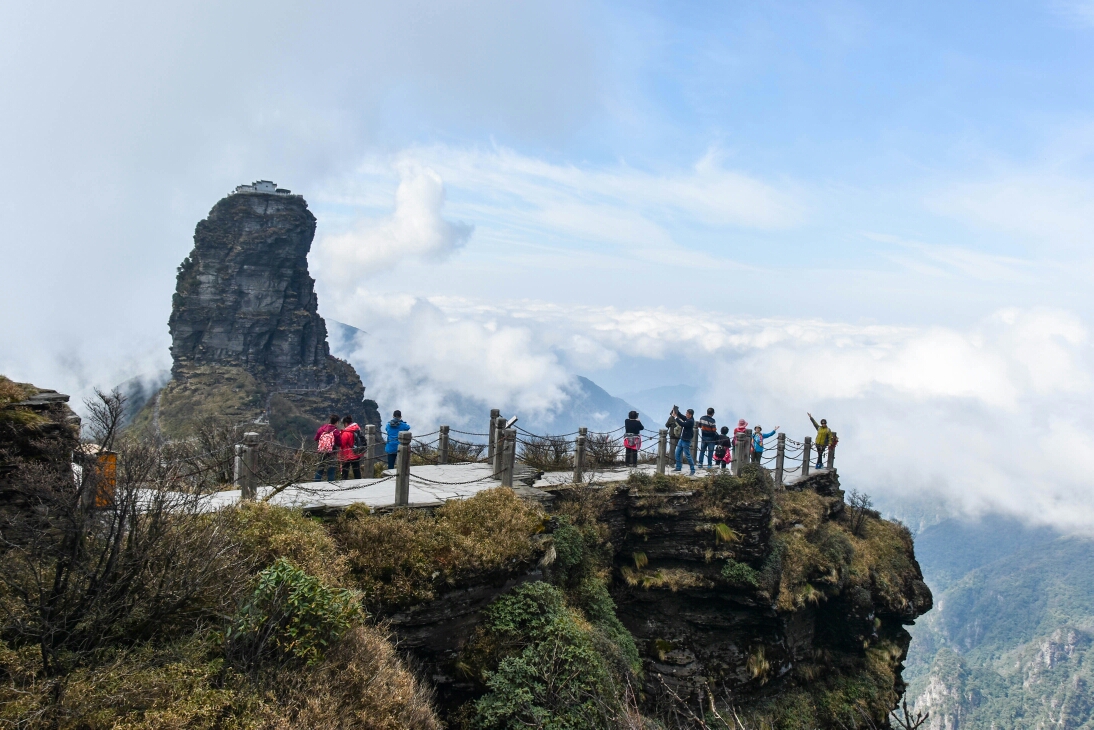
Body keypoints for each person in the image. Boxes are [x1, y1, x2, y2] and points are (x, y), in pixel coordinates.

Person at [314, 414, 341, 482]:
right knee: (331, 470)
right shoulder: (336, 431)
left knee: (320, 469)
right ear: (336, 422)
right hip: (332, 453)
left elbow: (315, 438)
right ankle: (331, 486)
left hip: (321, 452)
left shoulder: (321, 429)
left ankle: (316, 484)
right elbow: (339, 443)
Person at [671, 406, 696, 476]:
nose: (686, 414)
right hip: (682, 439)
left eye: (687, 413)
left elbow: (682, 424)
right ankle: (678, 467)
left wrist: (675, 417)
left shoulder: (690, 421)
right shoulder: (688, 419)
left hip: (686, 440)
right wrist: (676, 411)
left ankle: (692, 469)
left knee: (688, 455)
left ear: (690, 415)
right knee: (677, 453)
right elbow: (682, 417)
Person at [337, 415, 362, 480]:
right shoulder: (357, 429)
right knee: (356, 470)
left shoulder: (346, 432)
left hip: (347, 454)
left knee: (345, 470)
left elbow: (342, 444)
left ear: (346, 423)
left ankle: (344, 484)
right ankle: (359, 483)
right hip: (356, 452)